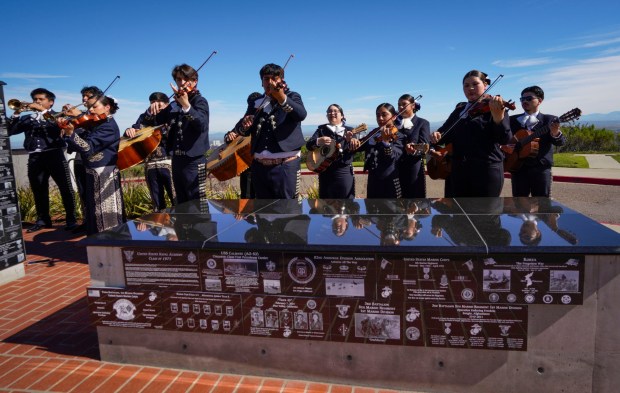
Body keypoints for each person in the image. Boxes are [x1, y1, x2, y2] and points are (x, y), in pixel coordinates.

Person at [430, 70, 512, 197]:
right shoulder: (459, 110)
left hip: (486, 170)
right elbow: (444, 132)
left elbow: (505, 139)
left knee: (486, 213)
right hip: (459, 170)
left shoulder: (494, 106)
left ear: (485, 85)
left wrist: (498, 118)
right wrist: (436, 135)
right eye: (466, 85)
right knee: (460, 212)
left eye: (475, 84)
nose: (470, 88)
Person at [7, 88, 77, 232]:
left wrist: (42, 111)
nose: (37, 102)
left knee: (65, 188)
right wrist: (16, 114)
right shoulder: (27, 118)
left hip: (54, 155)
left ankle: (71, 219)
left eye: (40, 99)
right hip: (34, 157)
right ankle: (43, 219)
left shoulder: (58, 115)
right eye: (35, 99)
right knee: (38, 189)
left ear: (50, 102)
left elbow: (56, 126)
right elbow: (10, 132)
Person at [236, 63, 307, 199]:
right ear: (261, 82)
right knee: (263, 212)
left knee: (287, 212)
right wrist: (244, 125)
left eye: (275, 78)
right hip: (259, 167)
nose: (270, 82)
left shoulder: (292, 96)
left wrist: (281, 98)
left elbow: (301, 114)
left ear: (282, 80)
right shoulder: (257, 102)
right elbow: (242, 129)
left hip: (285, 166)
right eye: (266, 79)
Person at [60, 95, 124, 235]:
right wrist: (69, 131)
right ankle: (98, 245)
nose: (91, 111)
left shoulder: (109, 126)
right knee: (94, 210)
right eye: (89, 108)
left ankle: (110, 244)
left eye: (95, 107)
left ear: (107, 107)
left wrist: (71, 133)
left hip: (105, 173)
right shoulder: (95, 125)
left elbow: (88, 147)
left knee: (107, 213)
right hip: (92, 172)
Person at [148, 64, 209, 203]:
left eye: (185, 79)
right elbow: (156, 120)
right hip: (176, 160)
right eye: (178, 80)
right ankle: (185, 225)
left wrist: (187, 106)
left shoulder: (199, 101)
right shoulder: (174, 104)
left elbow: (201, 125)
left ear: (195, 81)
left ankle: (201, 225)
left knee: (197, 200)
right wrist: (152, 110)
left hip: (194, 161)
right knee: (182, 200)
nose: (181, 83)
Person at [509, 86, 566, 197]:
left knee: (542, 205)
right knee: (519, 203)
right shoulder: (512, 120)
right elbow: (505, 140)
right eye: (522, 99)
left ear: (539, 101)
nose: (525, 101)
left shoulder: (549, 120)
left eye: (529, 98)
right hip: (518, 167)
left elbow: (560, 142)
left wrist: (555, 133)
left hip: (541, 169)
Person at [124, 92, 176, 211]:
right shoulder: (144, 117)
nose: (155, 106)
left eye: (158, 104)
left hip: (169, 162)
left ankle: (180, 227)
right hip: (150, 164)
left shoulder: (171, 114)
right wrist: (129, 130)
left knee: (176, 198)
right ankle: (159, 227)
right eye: (152, 103)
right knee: (156, 201)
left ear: (166, 104)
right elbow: (135, 128)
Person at [63, 86, 104, 233]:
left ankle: (98, 222)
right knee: (82, 191)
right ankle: (87, 221)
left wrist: (79, 115)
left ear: (98, 99)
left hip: (95, 160)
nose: (84, 99)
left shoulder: (100, 115)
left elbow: (96, 131)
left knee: (95, 193)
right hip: (79, 158)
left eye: (88, 96)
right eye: (83, 97)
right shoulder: (79, 116)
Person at [306, 104, 361, 198]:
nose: (332, 113)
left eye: (336, 111)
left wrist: (350, 141)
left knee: (346, 204)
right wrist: (318, 141)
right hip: (325, 172)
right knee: (326, 205)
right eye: (329, 111)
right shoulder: (321, 130)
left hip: (343, 171)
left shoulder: (350, 130)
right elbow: (309, 146)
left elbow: (354, 150)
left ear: (342, 116)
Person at [224, 92, 262, 199]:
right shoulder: (243, 121)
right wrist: (228, 137)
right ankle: (247, 214)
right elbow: (230, 136)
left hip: (262, 165)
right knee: (246, 196)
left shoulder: (265, 118)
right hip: (246, 166)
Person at [362, 103, 404, 198]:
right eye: (378, 115)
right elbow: (360, 145)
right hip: (373, 181)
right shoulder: (374, 133)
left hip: (390, 182)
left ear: (393, 117)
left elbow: (394, 157)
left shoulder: (400, 136)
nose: (380, 118)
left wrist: (386, 142)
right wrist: (352, 139)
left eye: (384, 115)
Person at [395, 94, 430, 198]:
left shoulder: (422, 123)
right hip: (395, 168)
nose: (401, 107)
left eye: (404, 104)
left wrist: (414, 150)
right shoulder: (395, 124)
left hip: (413, 169)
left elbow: (424, 146)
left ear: (413, 106)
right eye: (399, 105)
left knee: (413, 200)